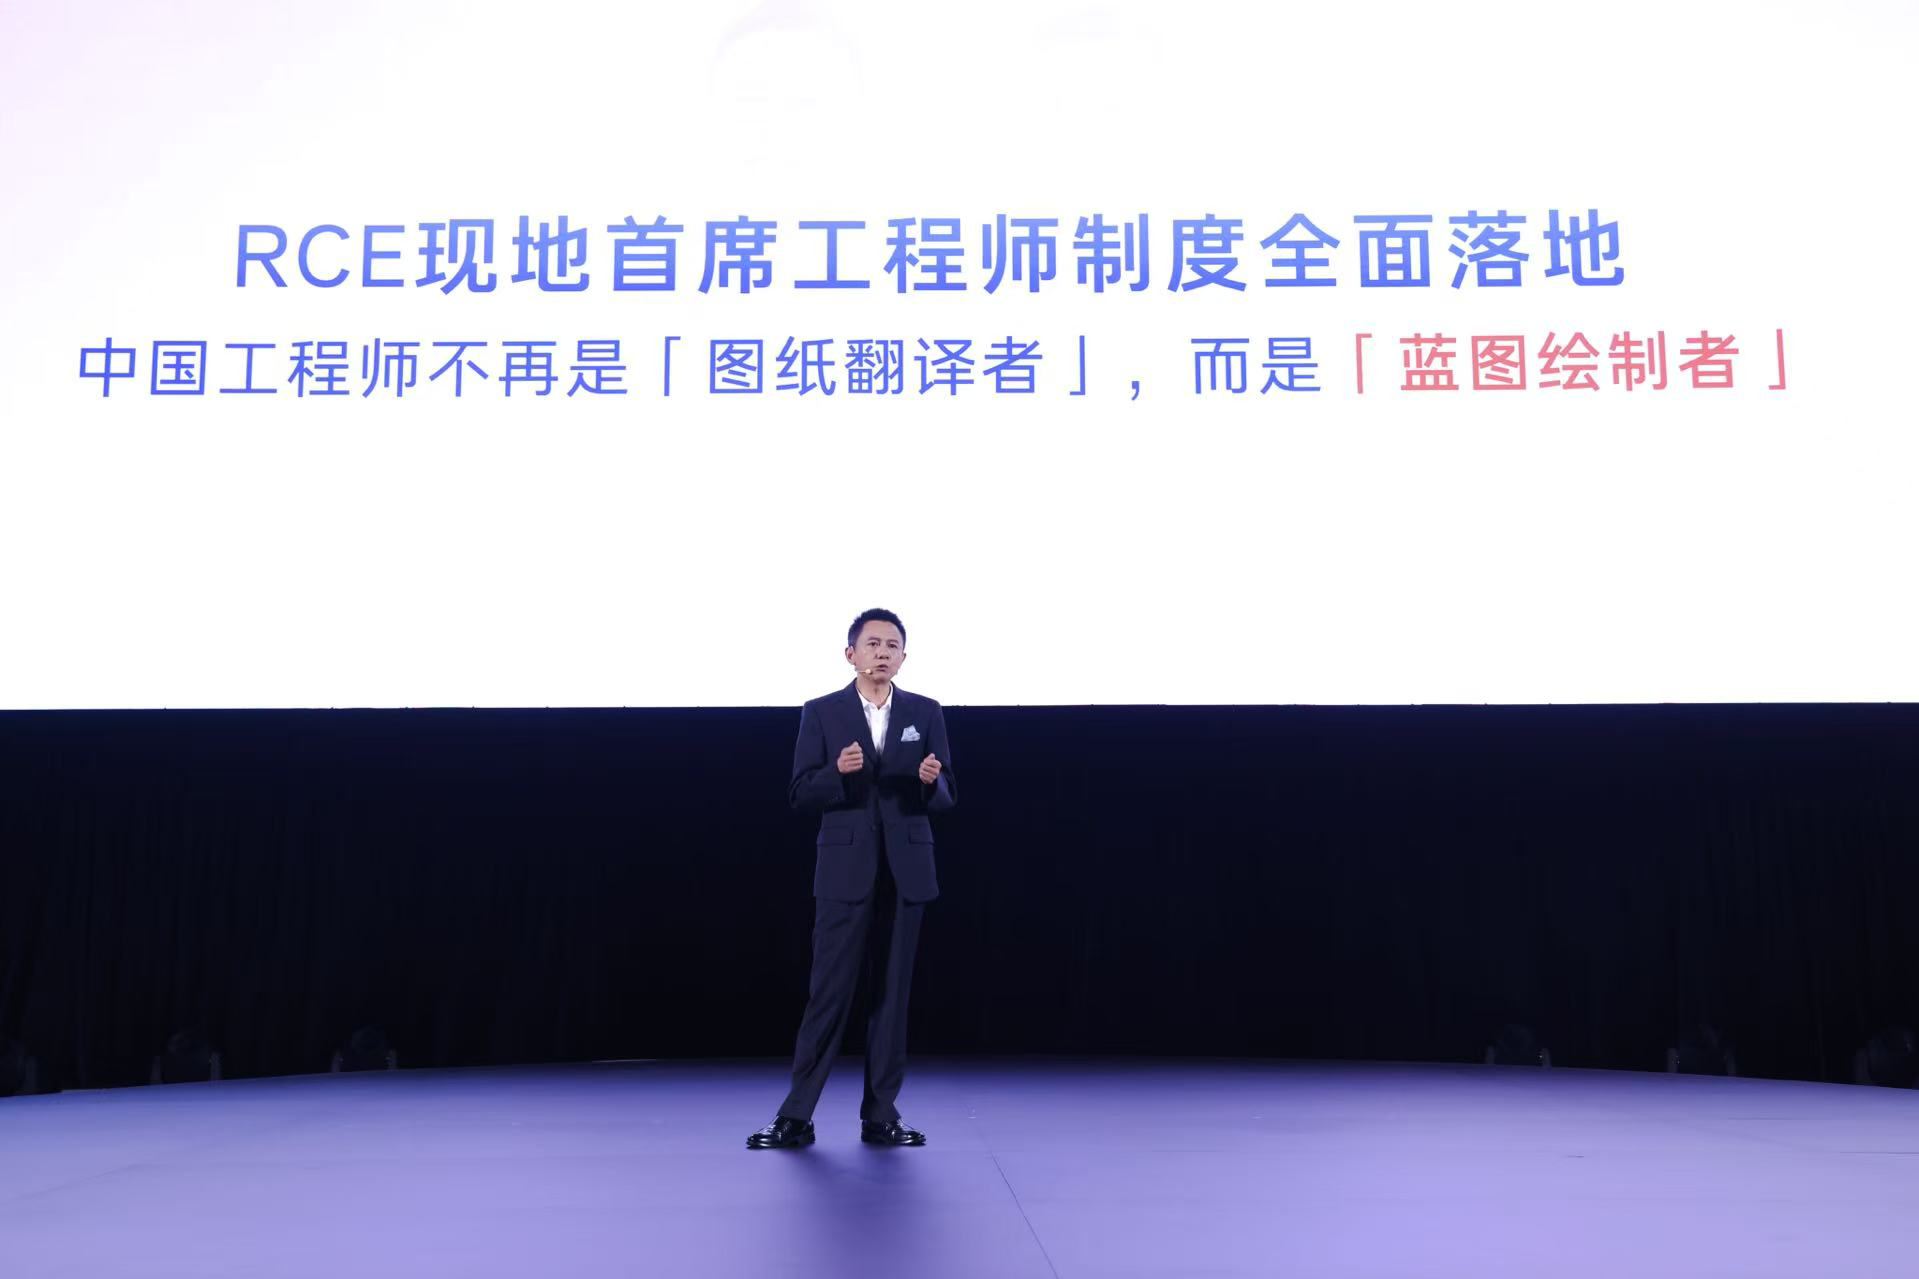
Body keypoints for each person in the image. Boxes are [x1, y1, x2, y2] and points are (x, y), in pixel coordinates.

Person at [747, 608, 957, 1148]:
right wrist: (835, 774)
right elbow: (800, 793)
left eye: (892, 645)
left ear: (903, 657)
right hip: (845, 872)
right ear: (851, 654)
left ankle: (881, 1116)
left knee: (892, 997)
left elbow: (947, 794)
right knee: (828, 995)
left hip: (906, 873)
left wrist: (931, 783)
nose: (882, 652)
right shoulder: (821, 712)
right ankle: (796, 1116)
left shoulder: (926, 711)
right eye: (873, 644)